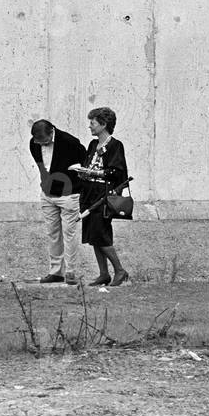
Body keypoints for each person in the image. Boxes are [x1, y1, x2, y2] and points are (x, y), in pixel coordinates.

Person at [76, 107, 130, 287]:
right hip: (89, 194)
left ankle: (120, 270)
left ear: (103, 124)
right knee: (93, 236)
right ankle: (104, 274)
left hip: (103, 196)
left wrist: (95, 173)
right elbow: (88, 165)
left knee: (102, 234)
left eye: (93, 123)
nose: (90, 127)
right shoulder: (92, 145)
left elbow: (116, 172)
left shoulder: (115, 145)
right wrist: (83, 173)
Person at [29, 120, 86, 285]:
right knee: (52, 233)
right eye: (37, 141)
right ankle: (55, 272)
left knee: (70, 234)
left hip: (69, 194)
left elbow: (83, 162)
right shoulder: (34, 143)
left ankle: (70, 272)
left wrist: (77, 188)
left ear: (51, 132)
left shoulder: (70, 142)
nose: (40, 143)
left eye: (43, 140)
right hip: (47, 194)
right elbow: (41, 165)